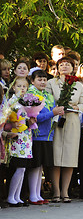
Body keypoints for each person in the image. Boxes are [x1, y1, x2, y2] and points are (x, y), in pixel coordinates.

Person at [46, 57, 83, 203]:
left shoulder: (79, 84)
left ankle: (65, 192)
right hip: (56, 120)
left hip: (72, 121)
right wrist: (55, 109)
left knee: (70, 158)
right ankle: (56, 191)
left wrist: (77, 108)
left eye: (67, 64)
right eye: (61, 64)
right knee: (56, 157)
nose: (64, 66)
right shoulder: (51, 83)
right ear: (57, 68)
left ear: (73, 67)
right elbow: (48, 100)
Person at [27, 70, 64, 205]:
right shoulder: (30, 95)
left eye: (44, 80)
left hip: (48, 136)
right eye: (39, 79)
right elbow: (35, 118)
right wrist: (52, 113)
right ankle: (32, 195)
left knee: (41, 166)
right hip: (37, 135)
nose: (42, 82)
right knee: (35, 166)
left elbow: (52, 114)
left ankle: (38, 194)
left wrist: (58, 113)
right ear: (32, 81)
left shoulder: (48, 95)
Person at [6, 77, 34, 207]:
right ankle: (11, 196)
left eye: (24, 86)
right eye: (19, 86)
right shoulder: (12, 102)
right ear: (13, 87)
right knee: (19, 167)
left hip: (26, 138)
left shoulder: (27, 102)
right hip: (17, 137)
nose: (22, 89)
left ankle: (17, 196)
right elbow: (7, 117)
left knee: (23, 169)